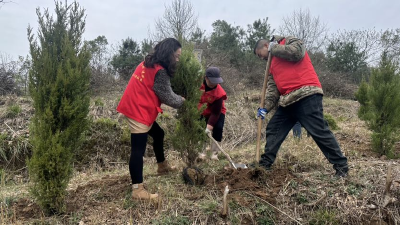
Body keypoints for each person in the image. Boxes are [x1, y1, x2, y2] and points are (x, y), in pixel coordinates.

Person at [253, 35, 349, 177]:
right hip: (287, 101)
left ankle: (341, 167)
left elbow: (297, 52)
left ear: (266, 46)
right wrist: (265, 108)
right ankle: (265, 164)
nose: (262, 59)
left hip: (306, 94)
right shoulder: (271, 65)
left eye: (260, 55)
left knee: (319, 131)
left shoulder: (288, 41)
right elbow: (273, 90)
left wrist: (276, 48)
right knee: (274, 128)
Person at [117, 38, 185, 201]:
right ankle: (137, 190)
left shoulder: (148, 63)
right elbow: (168, 97)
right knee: (137, 150)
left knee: (158, 134)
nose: (177, 59)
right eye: (176, 56)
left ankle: (162, 167)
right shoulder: (160, 71)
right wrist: (183, 101)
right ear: (168, 54)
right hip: (138, 109)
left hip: (136, 104)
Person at [197, 67, 227, 161]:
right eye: (212, 81)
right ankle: (201, 152)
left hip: (217, 111)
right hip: (201, 109)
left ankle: (214, 153)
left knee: (218, 128)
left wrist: (209, 127)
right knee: (200, 130)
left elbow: (215, 113)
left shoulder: (219, 93)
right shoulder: (197, 84)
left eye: (216, 81)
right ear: (206, 78)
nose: (214, 84)